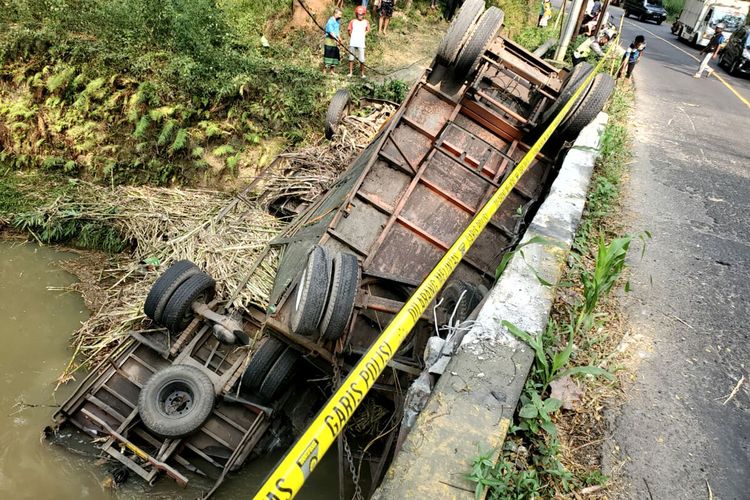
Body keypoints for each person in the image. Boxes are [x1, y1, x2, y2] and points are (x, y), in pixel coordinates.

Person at [348, 6, 370, 78]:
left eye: (362, 14)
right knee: (351, 58)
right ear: (356, 14)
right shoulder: (353, 21)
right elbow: (349, 30)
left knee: (362, 59)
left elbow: (368, 29)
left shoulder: (366, 22)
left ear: (364, 14)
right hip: (353, 42)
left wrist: (364, 34)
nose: (360, 16)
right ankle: (350, 73)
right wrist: (352, 36)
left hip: (361, 42)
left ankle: (362, 73)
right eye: (359, 14)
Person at [323, 9, 344, 74]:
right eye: (339, 14)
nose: (340, 16)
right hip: (329, 40)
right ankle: (324, 70)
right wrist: (337, 39)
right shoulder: (330, 21)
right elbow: (331, 32)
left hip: (335, 40)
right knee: (328, 54)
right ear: (335, 14)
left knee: (334, 55)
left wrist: (339, 38)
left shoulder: (337, 21)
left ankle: (332, 71)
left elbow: (337, 31)